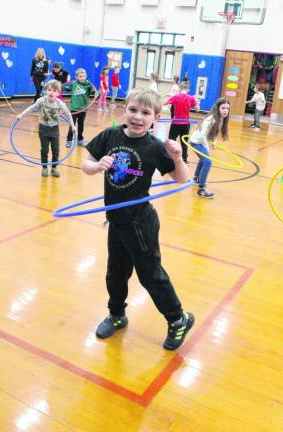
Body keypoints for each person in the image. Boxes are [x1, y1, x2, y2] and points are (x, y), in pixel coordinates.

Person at [82, 89, 195, 351]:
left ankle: (178, 319)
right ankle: (117, 314)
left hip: (140, 222)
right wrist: (97, 166)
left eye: (146, 113)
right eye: (133, 110)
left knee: (150, 275)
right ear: (125, 109)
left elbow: (182, 179)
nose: (138, 117)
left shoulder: (155, 147)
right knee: (116, 273)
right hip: (116, 219)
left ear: (155, 118)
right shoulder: (110, 135)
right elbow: (86, 165)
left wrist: (177, 157)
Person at [17, 80, 75, 177]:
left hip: (54, 129)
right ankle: (44, 167)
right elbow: (32, 107)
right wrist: (22, 114)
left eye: (54, 91)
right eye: (49, 90)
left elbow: (68, 114)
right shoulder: (42, 101)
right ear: (46, 91)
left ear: (58, 93)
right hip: (43, 128)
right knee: (44, 149)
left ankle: (54, 168)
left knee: (55, 149)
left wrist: (72, 126)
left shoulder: (59, 103)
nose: (51, 92)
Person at [190, 97, 230, 199]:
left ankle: (196, 179)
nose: (225, 111)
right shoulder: (211, 119)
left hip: (200, 142)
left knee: (204, 160)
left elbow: (215, 133)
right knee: (208, 161)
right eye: (223, 108)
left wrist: (213, 143)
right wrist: (207, 145)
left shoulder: (220, 119)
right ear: (217, 108)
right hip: (196, 142)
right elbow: (203, 135)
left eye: (227, 108)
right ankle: (201, 189)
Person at [164, 81, 200, 164]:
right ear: (188, 89)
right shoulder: (191, 98)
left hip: (176, 123)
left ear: (179, 89)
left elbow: (164, 103)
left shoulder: (176, 97)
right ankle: (184, 159)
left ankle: (169, 158)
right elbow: (198, 109)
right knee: (184, 142)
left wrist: (169, 97)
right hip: (186, 124)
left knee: (171, 140)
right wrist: (196, 100)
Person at [64, 68, 96, 147]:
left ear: (86, 76)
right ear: (76, 77)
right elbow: (67, 88)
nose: (82, 78)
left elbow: (93, 92)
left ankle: (80, 139)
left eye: (83, 76)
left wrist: (96, 93)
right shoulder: (74, 83)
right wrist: (59, 87)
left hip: (83, 109)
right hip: (73, 108)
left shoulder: (88, 84)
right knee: (72, 125)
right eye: (80, 76)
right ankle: (69, 140)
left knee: (81, 125)